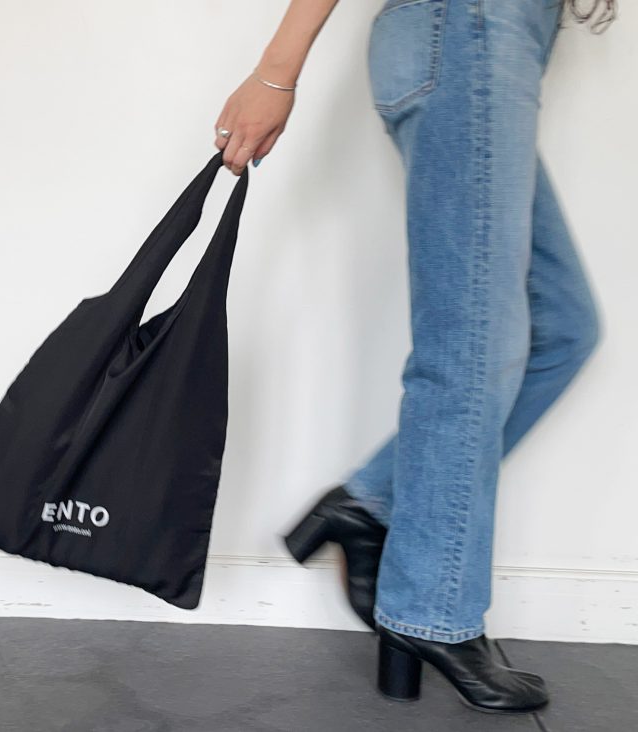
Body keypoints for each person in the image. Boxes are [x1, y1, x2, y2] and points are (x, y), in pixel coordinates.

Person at [213, 0, 614, 715]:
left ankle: (368, 506)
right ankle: (432, 611)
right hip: (468, 29)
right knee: (470, 344)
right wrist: (277, 73)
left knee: (562, 327)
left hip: (492, 42)